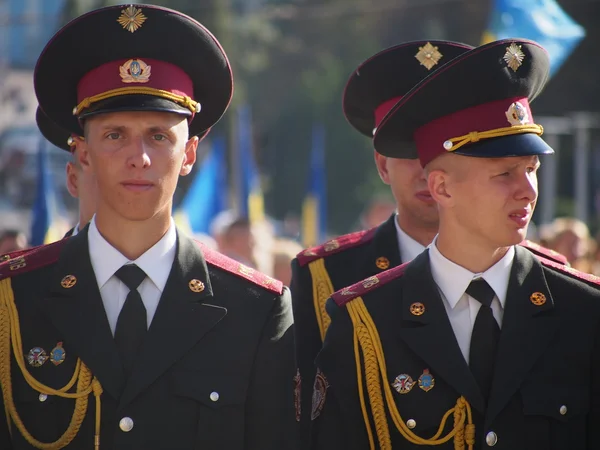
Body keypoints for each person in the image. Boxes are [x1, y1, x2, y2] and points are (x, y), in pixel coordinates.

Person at [0, 5, 296, 450]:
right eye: (115, 134)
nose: (138, 157)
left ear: (190, 153)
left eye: (159, 135)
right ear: (82, 154)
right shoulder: (12, 299)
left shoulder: (255, 310)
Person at [311, 39, 600, 450]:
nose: (527, 191)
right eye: (504, 174)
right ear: (441, 187)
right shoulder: (363, 323)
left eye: (531, 169)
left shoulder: (585, 312)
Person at [36, 106, 96, 237]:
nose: (140, 160)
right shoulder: (52, 258)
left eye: (153, 137)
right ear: (74, 180)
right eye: (114, 136)